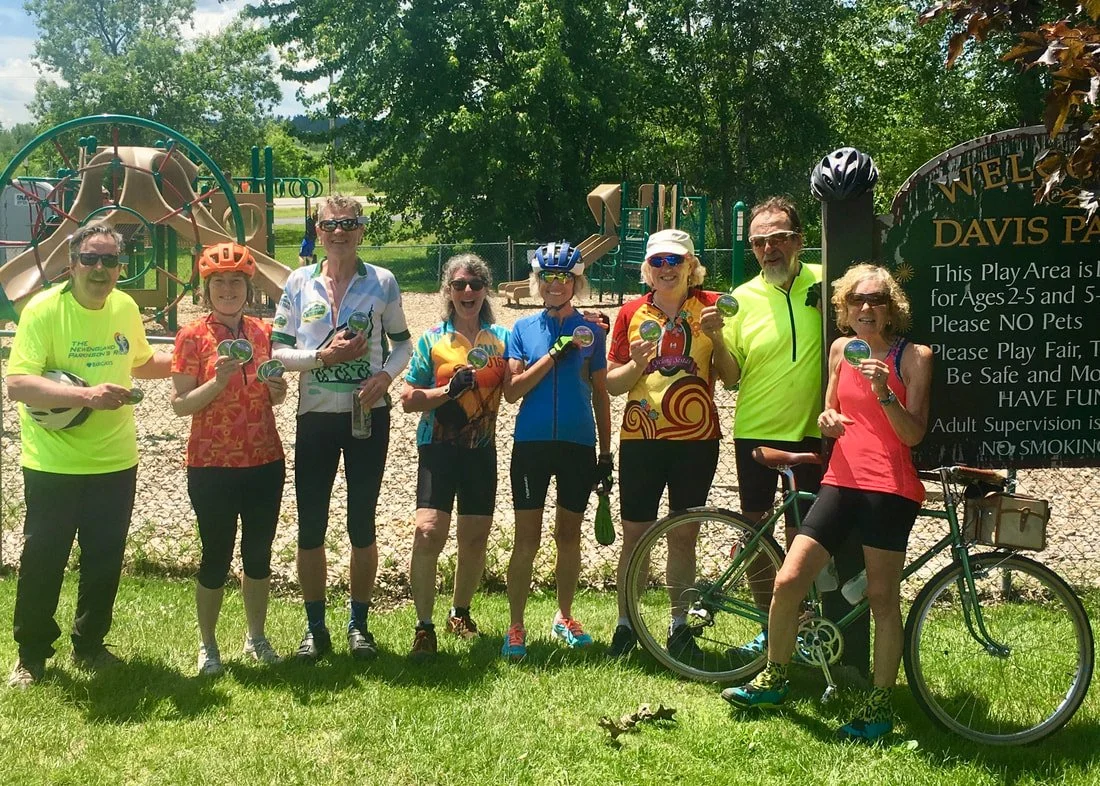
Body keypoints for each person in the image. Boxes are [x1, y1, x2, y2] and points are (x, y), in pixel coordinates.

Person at [723, 263, 932, 742]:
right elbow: (830, 412)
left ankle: (879, 706)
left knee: (882, 598)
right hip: (840, 479)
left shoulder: (914, 356)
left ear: (891, 308)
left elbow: (913, 435)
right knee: (788, 580)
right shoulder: (842, 349)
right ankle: (775, 677)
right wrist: (827, 420)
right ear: (844, 307)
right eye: (857, 299)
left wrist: (884, 394)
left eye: (877, 299)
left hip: (889, 488)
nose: (866, 308)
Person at [6, 222, 171, 688]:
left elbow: (141, 362)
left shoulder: (125, 307)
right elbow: (17, 383)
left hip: (115, 460)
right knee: (44, 559)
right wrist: (86, 396)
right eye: (90, 259)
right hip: (53, 463)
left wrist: (195, 360)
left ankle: (90, 644)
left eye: (110, 260)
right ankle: (31, 655)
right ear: (72, 263)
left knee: (104, 559)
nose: (100, 269)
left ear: (121, 266)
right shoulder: (43, 310)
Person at [272, 195, 412, 662]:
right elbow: (277, 351)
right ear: (318, 230)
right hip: (314, 416)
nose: (339, 233)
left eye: (349, 225)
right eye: (331, 225)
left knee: (361, 522)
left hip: (367, 415)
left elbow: (403, 344)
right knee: (311, 525)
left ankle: (358, 625)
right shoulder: (299, 282)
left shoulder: (382, 281)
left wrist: (384, 377)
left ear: (361, 230)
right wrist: (321, 358)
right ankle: (315, 628)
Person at [605, 229, 738, 656]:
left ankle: (679, 626)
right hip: (641, 437)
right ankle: (626, 624)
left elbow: (731, 378)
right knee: (635, 536)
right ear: (647, 269)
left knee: (684, 535)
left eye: (675, 260)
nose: (666, 268)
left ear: (691, 264)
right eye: (658, 261)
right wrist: (635, 365)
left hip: (696, 440)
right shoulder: (631, 312)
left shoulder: (713, 306)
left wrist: (718, 338)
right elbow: (611, 384)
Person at [171, 242, 288, 675]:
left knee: (258, 553)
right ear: (206, 290)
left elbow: (273, 395)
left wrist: (278, 391)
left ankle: (256, 637)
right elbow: (180, 404)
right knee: (216, 555)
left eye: (236, 281)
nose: (227, 290)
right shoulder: (191, 336)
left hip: (264, 458)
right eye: (218, 282)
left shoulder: (263, 332)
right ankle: (208, 645)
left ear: (248, 288)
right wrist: (217, 382)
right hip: (211, 463)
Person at [719, 196, 824, 654]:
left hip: (815, 431)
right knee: (756, 534)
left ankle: (805, 625)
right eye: (759, 242)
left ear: (799, 240)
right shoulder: (740, 299)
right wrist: (713, 337)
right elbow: (729, 376)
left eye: (779, 237)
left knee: (807, 537)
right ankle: (769, 627)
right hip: (756, 430)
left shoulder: (828, 281)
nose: (769, 248)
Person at [500, 241, 611, 659]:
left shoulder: (592, 331)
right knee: (526, 539)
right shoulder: (522, 329)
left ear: (576, 282)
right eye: (547, 277)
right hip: (531, 444)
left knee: (569, 536)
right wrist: (551, 354)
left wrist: (606, 453)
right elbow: (512, 391)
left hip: (578, 443)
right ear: (537, 281)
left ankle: (565, 616)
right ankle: (515, 625)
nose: (555, 284)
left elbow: (601, 394)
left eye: (564, 277)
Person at [399, 254, 509, 660]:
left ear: (485, 290)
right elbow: (408, 398)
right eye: (459, 284)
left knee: (475, 536)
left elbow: (520, 380)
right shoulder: (432, 340)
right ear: (448, 291)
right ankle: (424, 626)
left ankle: (460, 613)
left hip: (481, 448)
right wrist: (448, 391)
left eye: (475, 284)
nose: (468, 291)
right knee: (428, 531)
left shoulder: (502, 338)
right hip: (438, 446)